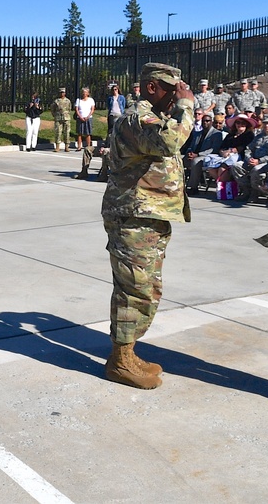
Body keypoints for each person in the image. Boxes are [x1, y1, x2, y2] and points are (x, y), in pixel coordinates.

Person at [101, 62, 194, 389]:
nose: (180, 95)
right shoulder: (136, 119)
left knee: (145, 288)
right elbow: (170, 142)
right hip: (133, 218)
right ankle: (120, 361)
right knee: (134, 288)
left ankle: (126, 352)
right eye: (175, 90)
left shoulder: (153, 118)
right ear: (152, 87)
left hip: (148, 217)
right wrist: (187, 107)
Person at [183, 114, 224, 193]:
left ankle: (193, 188)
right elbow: (191, 146)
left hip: (207, 156)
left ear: (211, 122)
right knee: (179, 160)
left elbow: (214, 149)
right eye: (204, 121)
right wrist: (190, 152)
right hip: (194, 155)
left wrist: (198, 154)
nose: (205, 123)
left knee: (195, 161)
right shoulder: (197, 133)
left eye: (208, 121)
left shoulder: (217, 134)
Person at [50, 87, 72, 152]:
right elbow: (52, 109)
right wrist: (55, 115)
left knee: (67, 132)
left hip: (66, 118)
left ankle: (67, 146)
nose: (62, 94)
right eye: (61, 92)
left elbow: (69, 109)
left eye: (63, 92)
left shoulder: (68, 101)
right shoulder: (56, 101)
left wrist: (66, 114)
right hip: (58, 118)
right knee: (58, 132)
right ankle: (57, 147)